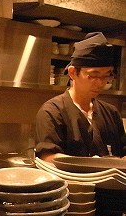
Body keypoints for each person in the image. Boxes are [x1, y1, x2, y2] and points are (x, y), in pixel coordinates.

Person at [35, 32, 126, 163]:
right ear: (72, 73)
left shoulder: (111, 113)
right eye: (93, 75)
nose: (101, 83)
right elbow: (48, 157)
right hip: (70, 183)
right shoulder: (52, 112)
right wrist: (94, 164)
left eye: (106, 75)